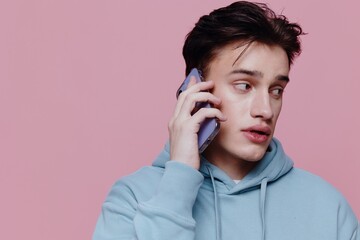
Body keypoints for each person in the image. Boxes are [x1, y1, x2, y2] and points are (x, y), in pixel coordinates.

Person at [93, 1, 359, 239]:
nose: (265, 110)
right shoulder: (133, 198)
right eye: (244, 86)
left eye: (276, 90)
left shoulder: (327, 206)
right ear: (196, 90)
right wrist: (180, 179)